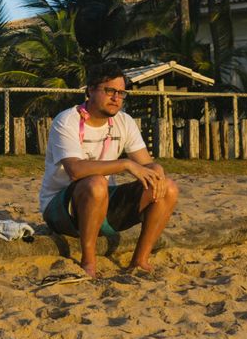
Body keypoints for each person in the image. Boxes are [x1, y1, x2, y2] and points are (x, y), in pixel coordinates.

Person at [38, 62, 179, 277]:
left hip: (104, 204)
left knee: (168, 187)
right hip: (62, 209)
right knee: (96, 183)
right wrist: (125, 164)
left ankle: (140, 261)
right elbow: (75, 170)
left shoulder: (124, 121)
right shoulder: (66, 121)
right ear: (90, 90)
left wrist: (156, 170)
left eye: (121, 93)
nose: (116, 98)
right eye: (109, 90)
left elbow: (146, 163)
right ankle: (88, 262)